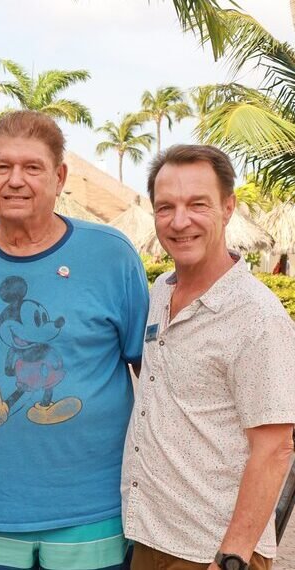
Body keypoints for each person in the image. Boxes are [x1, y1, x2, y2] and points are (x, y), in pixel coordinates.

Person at [0, 111, 149, 570]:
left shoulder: (111, 254)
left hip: (93, 509)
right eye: (2, 167)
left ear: (60, 176)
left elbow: (154, 375)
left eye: (32, 167)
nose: (15, 180)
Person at [122, 145, 295, 570]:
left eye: (197, 204)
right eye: (166, 207)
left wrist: (233, 557)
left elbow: (274, 448)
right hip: (151, 537)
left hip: (211, 551)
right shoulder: (161, 291)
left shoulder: (256, 317)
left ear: (227, 208)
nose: (180, 221)